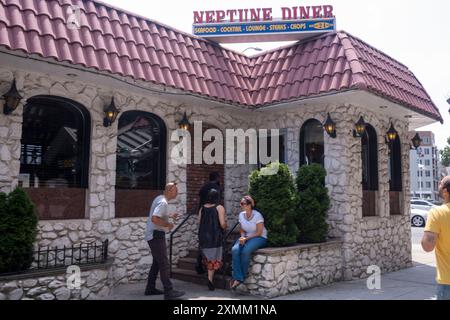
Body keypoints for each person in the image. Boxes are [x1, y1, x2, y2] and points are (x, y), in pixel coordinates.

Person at [144, 182, 185, 300]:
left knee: (157, 263)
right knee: (164, 264)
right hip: (156, 236)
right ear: (170, 190)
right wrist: (168, 224)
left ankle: (150, 288)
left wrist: (170, 215)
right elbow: (155, 218)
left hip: (154, 236)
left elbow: (159, 215)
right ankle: (169, 291)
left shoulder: (160, 198)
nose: (177, 192)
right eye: (176, 190)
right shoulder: (163, 202)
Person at [421, 175, 450, 300]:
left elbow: (427, 246)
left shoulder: (437, 213)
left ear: (445, 191)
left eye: (440, 183)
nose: (438, 184)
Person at [230, 195, 267, 289]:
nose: (241, 205)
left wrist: (246, 239)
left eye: (243, 203)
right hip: (246, 236)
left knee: (245, 250)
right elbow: (242, 229)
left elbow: (259, 232)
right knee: (235, 249)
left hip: (259, 237)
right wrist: (242, 237)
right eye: (240, 203)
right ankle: (239, 277)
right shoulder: (241, 215)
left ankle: (239, 278)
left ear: (250, 205)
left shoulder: (257, 215)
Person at [198, 189, 227, 290]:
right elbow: (222, 224)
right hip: (215, 237)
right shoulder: (219, 208)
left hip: (203, 237)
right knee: (213, 259)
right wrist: (225, 226)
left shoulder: (202, 208)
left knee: (208, 258)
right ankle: (210, 279)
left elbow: (199, 222)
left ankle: (210, 279)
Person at [195, 171, 221, 275]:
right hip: (213, 217)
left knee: (203, 244)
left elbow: (200, 198)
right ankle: (214, 268)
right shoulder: (216, 188)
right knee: (214, 244)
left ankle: (200, 265)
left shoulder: (203, 187)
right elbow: (218, 201)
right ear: (217, 178)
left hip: (203, 215)